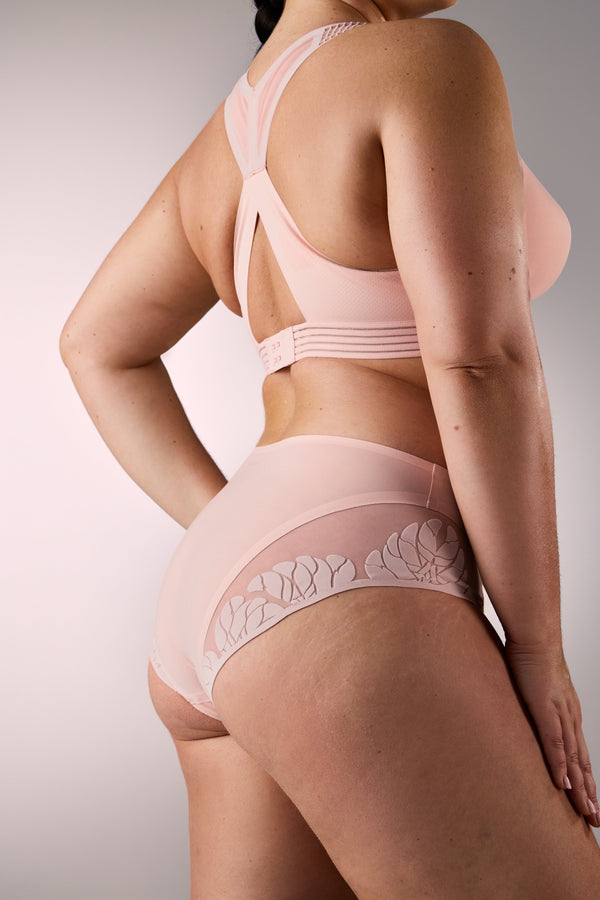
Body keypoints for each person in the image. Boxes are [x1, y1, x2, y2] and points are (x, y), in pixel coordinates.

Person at [60, 0, 600, 896]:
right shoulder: (423, 60)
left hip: (233, 592)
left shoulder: (224, 145)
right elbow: (480, 362)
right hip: (358, 569)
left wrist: (248, 540)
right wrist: (539, 647)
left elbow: (95, 345)